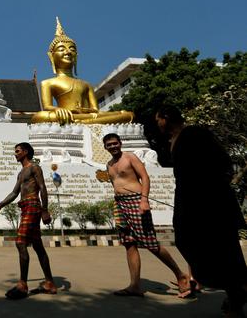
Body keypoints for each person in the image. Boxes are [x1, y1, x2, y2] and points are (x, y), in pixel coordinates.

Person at [156, 106, 247, 316]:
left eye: (158, 119)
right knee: (187, 241)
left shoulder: (194, 133)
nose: (157, 124)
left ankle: (236, 293)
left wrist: (212, 189)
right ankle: (236, 288)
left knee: (224, 250)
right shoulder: (174, 141)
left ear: (166, 117)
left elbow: (223, 161)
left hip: (210, 202)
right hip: (190, 202)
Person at [103, 133, 191, 297]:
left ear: (120, 143)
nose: (113, 147)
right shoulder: (109, 164)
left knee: (150, 243)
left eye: (115, 143)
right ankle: (134, 285)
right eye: (109, 145)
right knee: (129, 244)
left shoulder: (130, 157)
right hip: (120, 203)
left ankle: (180, 275)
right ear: (105, 147)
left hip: (136, 201)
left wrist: (144, 200)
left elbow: (145, 177)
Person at [31, 17, 133, 124]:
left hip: (84, 116)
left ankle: (82, 122)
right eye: (61, 49)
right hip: (65, 115)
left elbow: (95, 109)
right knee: (40, 116)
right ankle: (82, 121)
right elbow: (47, 106)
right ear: (51, 56)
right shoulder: (47, 83)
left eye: (72, 49)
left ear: (76, 56)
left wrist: (83, 111)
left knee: (126, 114)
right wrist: (58, 110)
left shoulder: (86, 84)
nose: (68, 52)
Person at [0, 142, 58, 299]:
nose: (15, 154)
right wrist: (0, 205)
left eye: (17, 151)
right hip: (25, 206)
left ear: (25, 152)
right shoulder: (21, 173)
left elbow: (42, 188)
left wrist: (45, 210)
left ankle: (22, 285)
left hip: (33, 205)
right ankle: (49, 283)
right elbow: (14, 193)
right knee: (37, 246)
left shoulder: (34, 167)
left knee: (20, 242)